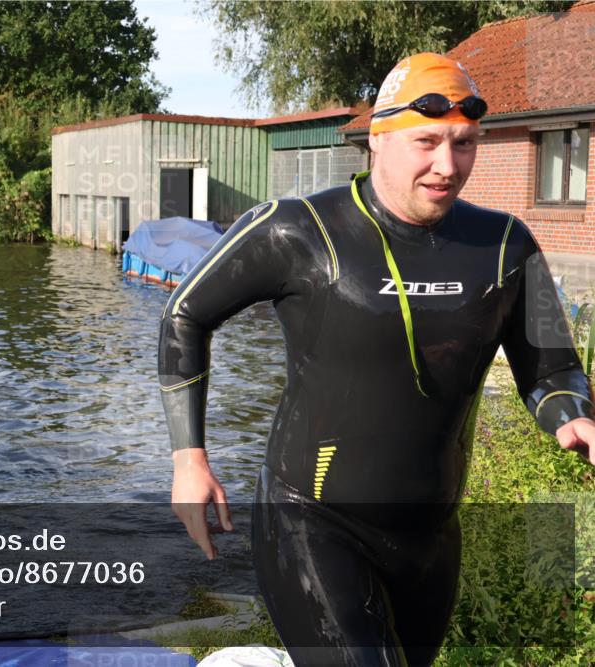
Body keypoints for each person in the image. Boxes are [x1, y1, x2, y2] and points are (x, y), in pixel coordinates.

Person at [158, 52, 595, 666]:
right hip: (311, 521)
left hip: (429, 537)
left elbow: (552, 368)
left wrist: (573, 415)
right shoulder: (300, 230)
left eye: (464, 144)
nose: (448, 166)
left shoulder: (504, 246)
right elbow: (185, 315)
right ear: (378, 140)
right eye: (426, 142)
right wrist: (189, 460)